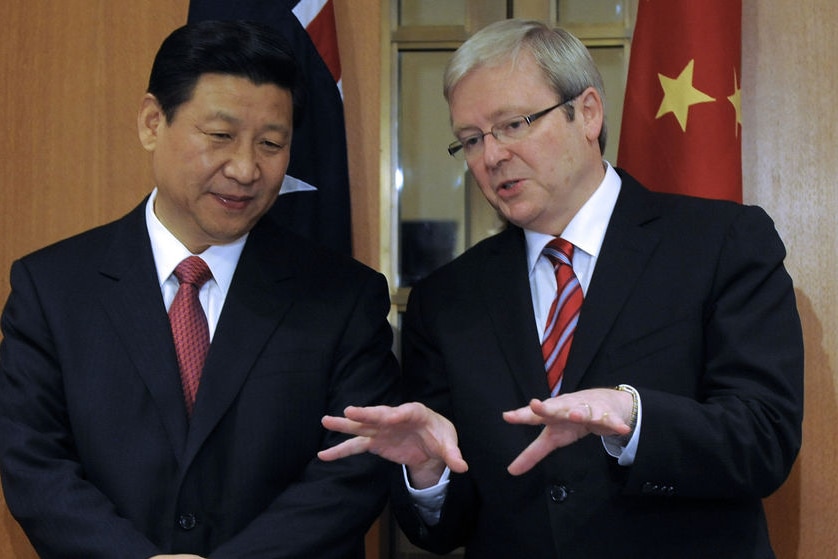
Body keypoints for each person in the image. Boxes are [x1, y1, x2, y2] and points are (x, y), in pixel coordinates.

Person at [319, 18, 804, 558]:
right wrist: (429, 472)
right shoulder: (446, 298)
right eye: (471, 140)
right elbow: (443, 529)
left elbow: (766, 438)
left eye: (513, 124)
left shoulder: (721, 243)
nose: (492, 156)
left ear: (588, 112)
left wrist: (634, 419)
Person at [0, 20, 400, 559]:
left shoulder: (344, 297)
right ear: (151, 123)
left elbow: (353, 470)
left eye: (271, 144)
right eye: (219, 136)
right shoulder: (51, 288)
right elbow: (33, 464)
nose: (244, 168)